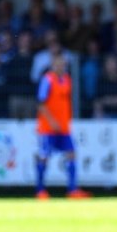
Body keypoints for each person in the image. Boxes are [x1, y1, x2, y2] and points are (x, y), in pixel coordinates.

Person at [35, 54, 90, 199]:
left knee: (71, 154)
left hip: (64, 127)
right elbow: (41, 104)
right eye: (58, 64)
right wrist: (52, 121)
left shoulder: (67, 80)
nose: (61, 67)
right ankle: (40, 190)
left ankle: (72, 190)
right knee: (44, 156)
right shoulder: (47, 80)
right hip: (48, 128)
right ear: (53, 65)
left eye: (63, 64)